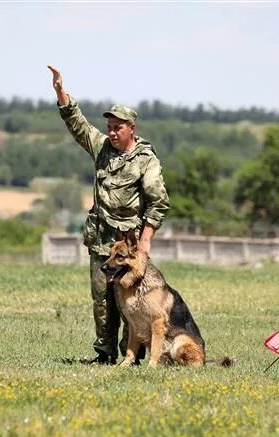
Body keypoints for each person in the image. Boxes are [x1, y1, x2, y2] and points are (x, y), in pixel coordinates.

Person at [47, 65, 170, 365]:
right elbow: (78, 125)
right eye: (110, 126)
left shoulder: (145, 160)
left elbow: (159, 202)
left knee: (132, 303)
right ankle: (104, 355)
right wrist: (61, 92)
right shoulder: (101, 147)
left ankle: (135, 356)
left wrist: (146, 241)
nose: (112, 132)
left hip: (128, 246)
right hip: (101, 240)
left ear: (132, 129)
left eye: (118, 127)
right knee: (102, 301)